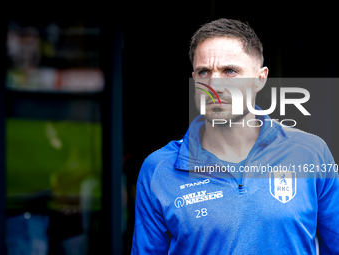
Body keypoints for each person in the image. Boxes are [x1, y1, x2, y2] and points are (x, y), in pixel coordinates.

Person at [131, 18, 339, 254]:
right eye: (204, 72)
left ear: (260, 79)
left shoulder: (311, 153)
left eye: (230, 71)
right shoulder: (159, 169)